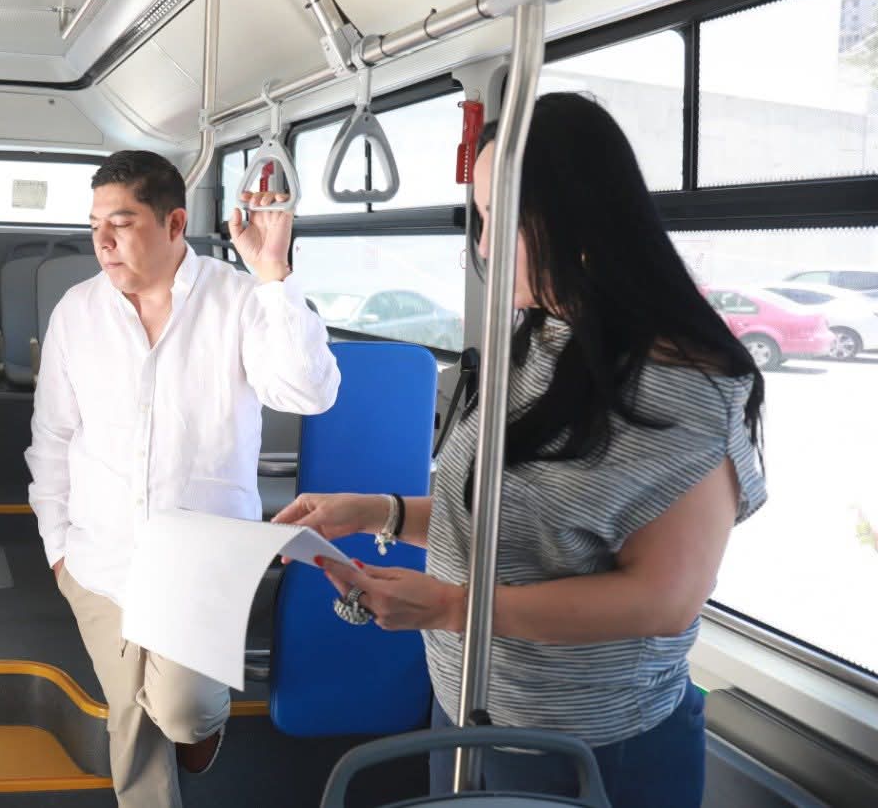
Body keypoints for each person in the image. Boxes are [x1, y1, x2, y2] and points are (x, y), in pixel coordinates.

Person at [275, 92, 766, 808]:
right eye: (478, 219)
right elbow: (507, 518)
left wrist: (455, 608)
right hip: (469, 705)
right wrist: (379, 513)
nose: (483, 247)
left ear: (579, 221)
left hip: (589, 746)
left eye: (499, 220)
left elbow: (661, 599)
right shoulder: (538, 336)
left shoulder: (687, 386)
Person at [26, 150, 340, 807]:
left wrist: (274, 273)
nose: (103, 243)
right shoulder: (75, 311)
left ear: (174, 223)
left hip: (200, 561)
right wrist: (58, 549)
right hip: (98, 559)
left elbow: (309, 393)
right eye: (95, 227)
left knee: (183, 711)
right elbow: (53, 437)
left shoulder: (240, 298)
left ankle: (201, 727)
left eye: (121, 224)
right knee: (131, 725)